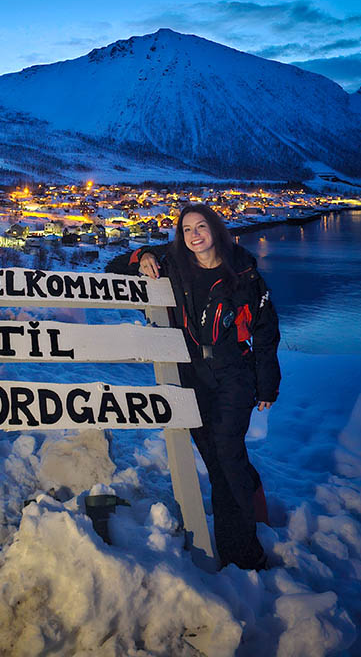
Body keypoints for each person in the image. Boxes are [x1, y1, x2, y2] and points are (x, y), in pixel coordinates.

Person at [111, 204, 280, 570]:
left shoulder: (244, 270)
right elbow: (113, 267)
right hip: (191, 373)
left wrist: (267, 384)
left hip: (234, 372)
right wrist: (143, 258)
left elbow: (266, 330)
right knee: (217, 459)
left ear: (216, 229)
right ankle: (252, 496)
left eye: (201, 226)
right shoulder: (173, 263)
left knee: (225, 453)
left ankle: (244, 556)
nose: (194, 235)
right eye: (187, 229)